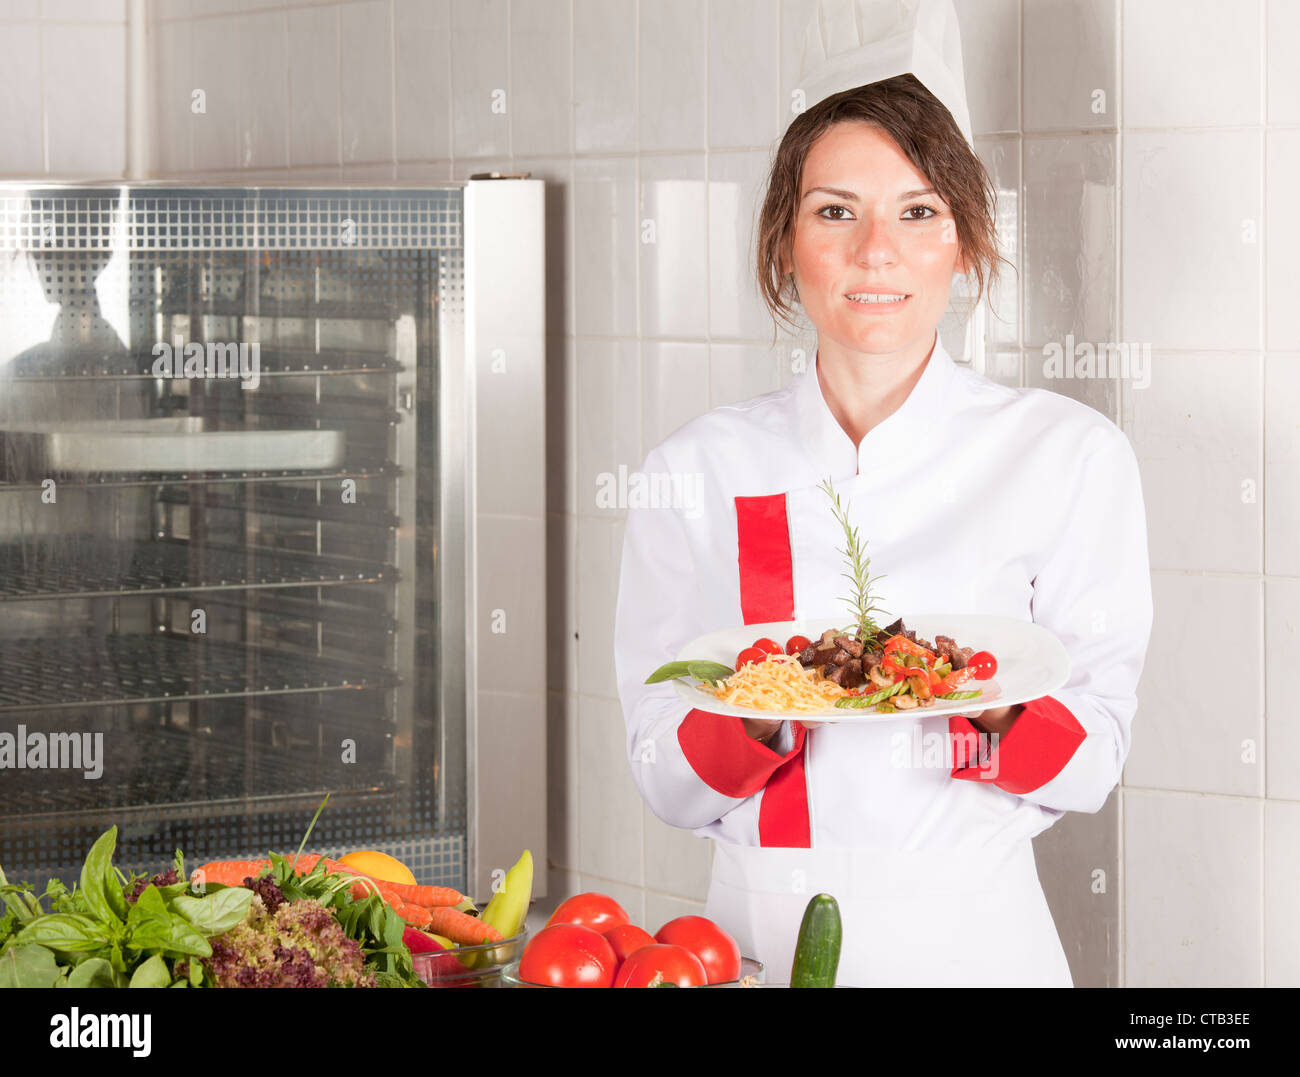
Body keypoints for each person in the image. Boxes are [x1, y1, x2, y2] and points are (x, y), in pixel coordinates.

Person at [612, 8, 1153, 987]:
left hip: (980, 940)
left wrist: (975, 699)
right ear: (783, 245)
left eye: (917, 211)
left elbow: (1094, 761)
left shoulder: (1069, 456)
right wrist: (768, 704)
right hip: (753, 942)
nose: (875, 251)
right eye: (833, 211)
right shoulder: (692, 469)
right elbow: (660, 774)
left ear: (964, 244)